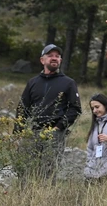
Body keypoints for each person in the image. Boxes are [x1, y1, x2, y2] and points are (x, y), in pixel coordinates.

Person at [14, 44, 82, 178]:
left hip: (55, 134)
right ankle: (27, 196)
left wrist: (58, 127)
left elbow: (75, 109)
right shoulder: (32, 82)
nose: (54, 58)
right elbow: (22, 108)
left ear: (60, 61)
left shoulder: (68, 83)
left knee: (48, 172)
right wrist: (18, 133)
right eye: (50, 56)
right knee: (27, 170)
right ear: (42, 60)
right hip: (32, 133)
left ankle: (46, 196)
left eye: (57, 56)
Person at [84, 94, 107, 180]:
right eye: (92, 108)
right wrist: (89, 166)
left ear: (105, 105)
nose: (94, 110)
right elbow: (90, 148)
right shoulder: (95, 125)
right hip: (93, 173)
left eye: (97, 107)